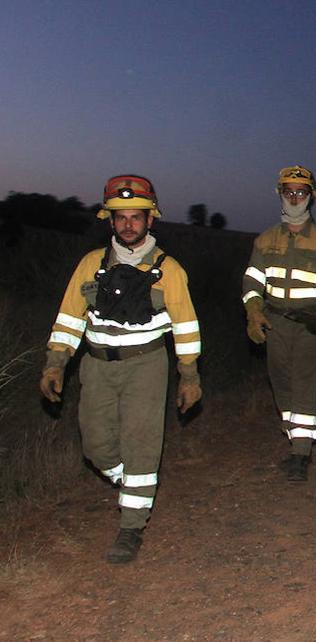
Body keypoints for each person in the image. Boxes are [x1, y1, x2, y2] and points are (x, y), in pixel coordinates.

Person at [38, 175, 202, 563]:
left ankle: (131, 527)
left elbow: (186, 326)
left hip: (145, 367)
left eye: (136, 217)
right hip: (95, 368)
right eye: (120, 217)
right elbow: (68, 319)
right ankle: (134, 486)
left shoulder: (170, 271)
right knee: (95, 445)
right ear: (109, 222)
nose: (128, 224)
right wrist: (56, 362)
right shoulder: (89, 266)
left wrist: (190, 374)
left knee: (141, 446)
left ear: (150, 221)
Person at [241, 165, 316, 482]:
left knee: (304, 380)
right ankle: (296, 432)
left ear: (312, 196)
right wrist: (253, 313)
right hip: (275, 321)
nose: (295, 197)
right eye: (289, 191)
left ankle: (300, 454)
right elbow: (252, 282)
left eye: (301, 192)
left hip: (311, 323)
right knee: (280, 380)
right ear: (280, 194)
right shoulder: (265, 240)